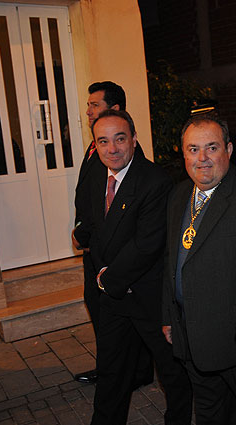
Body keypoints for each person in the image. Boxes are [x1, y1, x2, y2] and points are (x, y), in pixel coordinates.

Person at [161, 116, 236, 425]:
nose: (202, 159)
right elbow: (172, 262)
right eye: (193, 149)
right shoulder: (178, 196)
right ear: (183, 153)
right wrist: (169, 316)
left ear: (228, 149)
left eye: (211, 148)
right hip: (192, 340)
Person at [73, 110, 192, 424]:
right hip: (113, 295)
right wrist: (106, 277)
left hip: (148, 296)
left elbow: (147, 244)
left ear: (134, 140)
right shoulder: (97, 175)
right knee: (111, 370)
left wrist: (108, 278)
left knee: (170, 371)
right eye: (103, 141)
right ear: (95, 146)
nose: (112, 148)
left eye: (119, 138)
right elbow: (94, 228)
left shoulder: (155, 180)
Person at [72, 81, 152, 387]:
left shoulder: (126, 156)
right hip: (96, 244)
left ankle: (124, 371)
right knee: (99, 308)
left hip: (112, 252)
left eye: (95, 105)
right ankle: (115, 367)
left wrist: (86, 235)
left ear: (116, 109)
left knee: (119, 314)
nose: (89, 111)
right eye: (89, 105)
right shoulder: (97, 145)